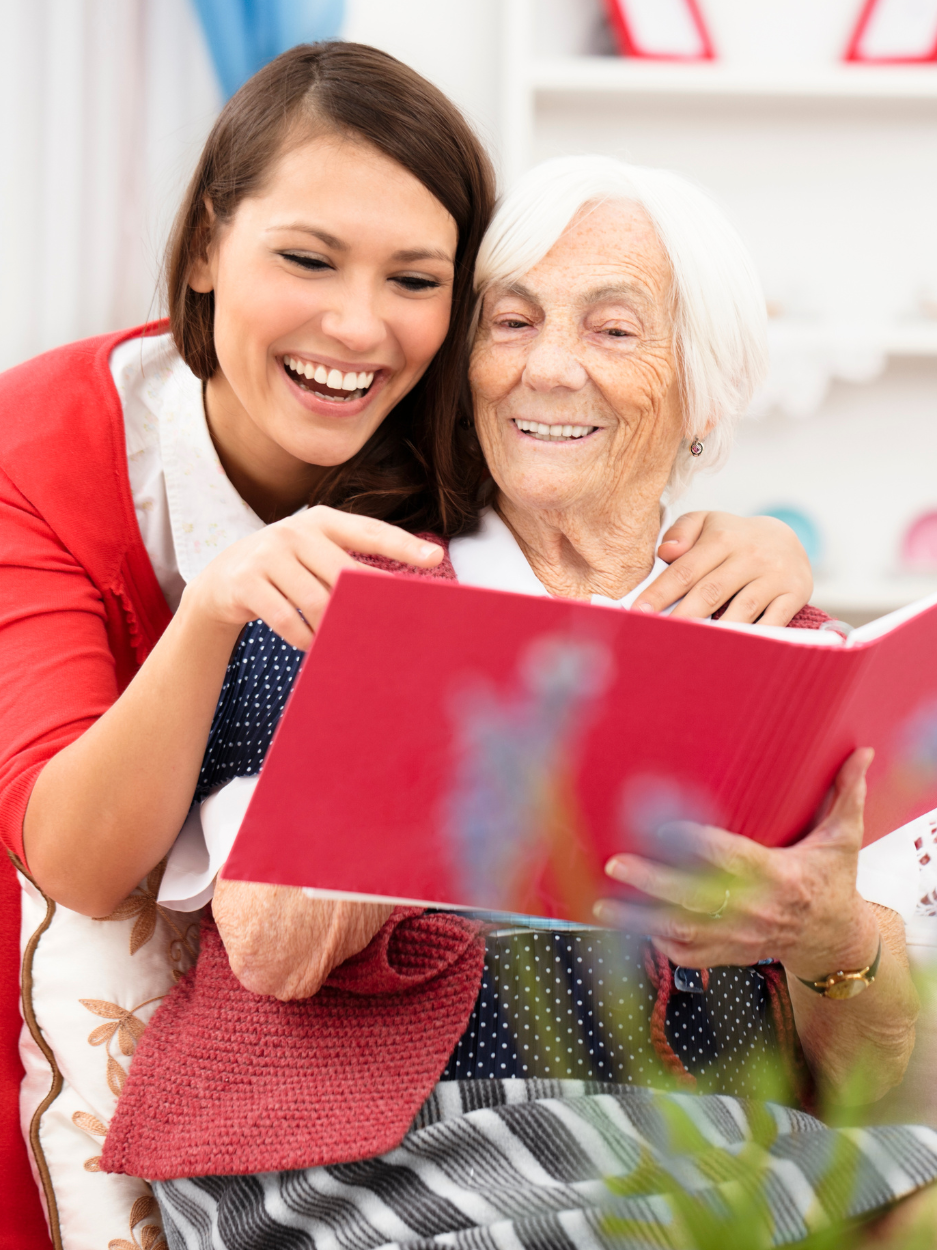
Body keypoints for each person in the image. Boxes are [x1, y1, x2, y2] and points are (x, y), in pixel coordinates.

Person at [0, 47, 817, 1246]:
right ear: (204, 249)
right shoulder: (55, 447)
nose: (358, 323)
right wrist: (221, 602)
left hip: (629, 1115)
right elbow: (76, 855)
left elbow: (602, 456)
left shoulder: (454, 427)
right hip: (107, 885)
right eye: (306, 256)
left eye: (418, 279)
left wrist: (766, 552)